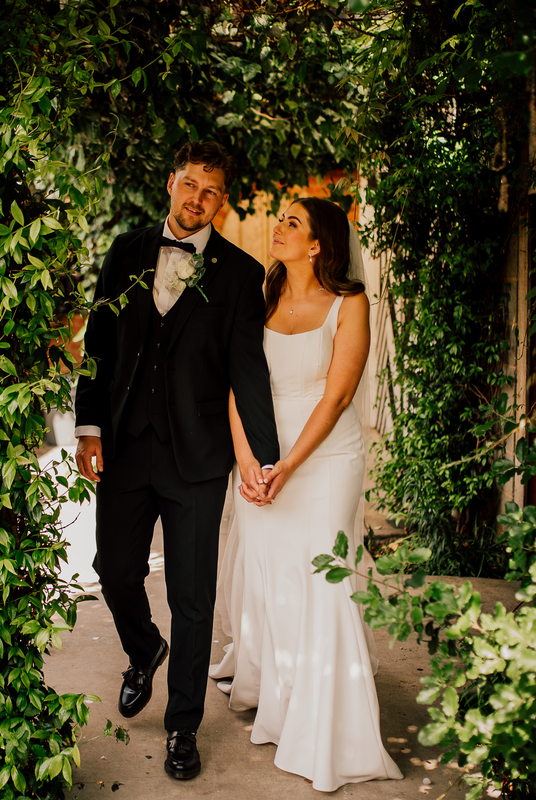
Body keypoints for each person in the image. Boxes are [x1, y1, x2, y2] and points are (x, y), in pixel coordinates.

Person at [74, 141, 279, 780]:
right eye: (188, 184)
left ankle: (182, 728)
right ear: (171, 183)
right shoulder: (126, 253)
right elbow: (99, 346)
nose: (196, 199)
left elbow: (248, 370)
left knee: (193, 599)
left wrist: (264, 459)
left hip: (197, 457)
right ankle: (144, 649)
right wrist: (89, 428)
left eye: (209, 191)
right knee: (113, 568)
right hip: (128, 446)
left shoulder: (242, 276)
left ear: (223, 200)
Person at [209, 197, 404, 791]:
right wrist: (247, 460)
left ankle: (330, 727)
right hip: (260, 456)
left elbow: (339, 396)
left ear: (319, 245)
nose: (280, 227)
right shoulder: (260, 296)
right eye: (282, 219)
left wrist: (287, 465)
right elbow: (237, 382)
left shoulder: (350, 304)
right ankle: (281, 694)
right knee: (269, 574)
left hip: (325, 461)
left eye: (293, 222)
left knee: (325, 577)